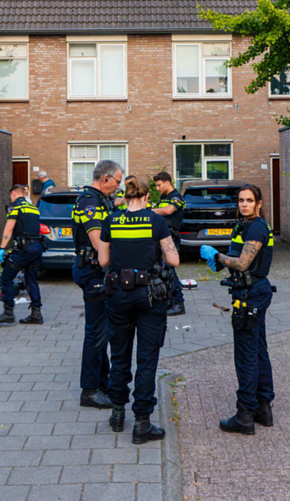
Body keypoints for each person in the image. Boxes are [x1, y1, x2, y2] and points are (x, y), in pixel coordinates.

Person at [98, 175, 179, 444]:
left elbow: (103, 260)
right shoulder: (155, 221)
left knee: (119, 355)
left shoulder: (111, 220)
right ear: (146, 197)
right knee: (146, 359)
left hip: (117, 295)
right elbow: (174, 260)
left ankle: (117, 414)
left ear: (125, 197)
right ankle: (142, 423)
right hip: (149, 297)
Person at [200, 184, 274, 435]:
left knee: (246, 355)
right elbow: (239, 256)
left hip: (250, 296)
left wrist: (217, 256)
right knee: (258, 350)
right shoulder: (245, 225)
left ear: (259, 204)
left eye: (249, 200)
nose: (244, 204)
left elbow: (243, 263)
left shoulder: (256, 227)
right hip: (253, 292)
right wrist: (223, 263)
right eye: (241, 200)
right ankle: (263, 408)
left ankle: (244, 414)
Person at [72, 158, 123, 409]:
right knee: (95, 333)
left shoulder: (100, 200)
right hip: (92, 271)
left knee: (102, 331)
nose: (118, 187)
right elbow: (96, 241)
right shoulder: (89, 202)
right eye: (117, 182)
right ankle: (90, 391)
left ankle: (103, 384)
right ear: (105, 178)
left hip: (97, 271)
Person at [0, 184, 44, 325]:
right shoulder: (33, 208)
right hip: (36, 248)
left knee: (6, 278)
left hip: (23, 249)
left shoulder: (15, 207)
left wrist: (2, 248)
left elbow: (9, 228)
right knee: (31, 280)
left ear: (14, 194)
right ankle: (36, 314)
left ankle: (8, 312)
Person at [151, 172, 186, 316]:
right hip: (162, 237)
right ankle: (169, 301)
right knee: (163, 271)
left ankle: (179, 303)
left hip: (171, 238)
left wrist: (149, 211)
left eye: (159, 185)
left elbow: (168, 210)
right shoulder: (163, 198)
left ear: (167, 183)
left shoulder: (177, 197)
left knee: (170, 271)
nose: (157, 188)